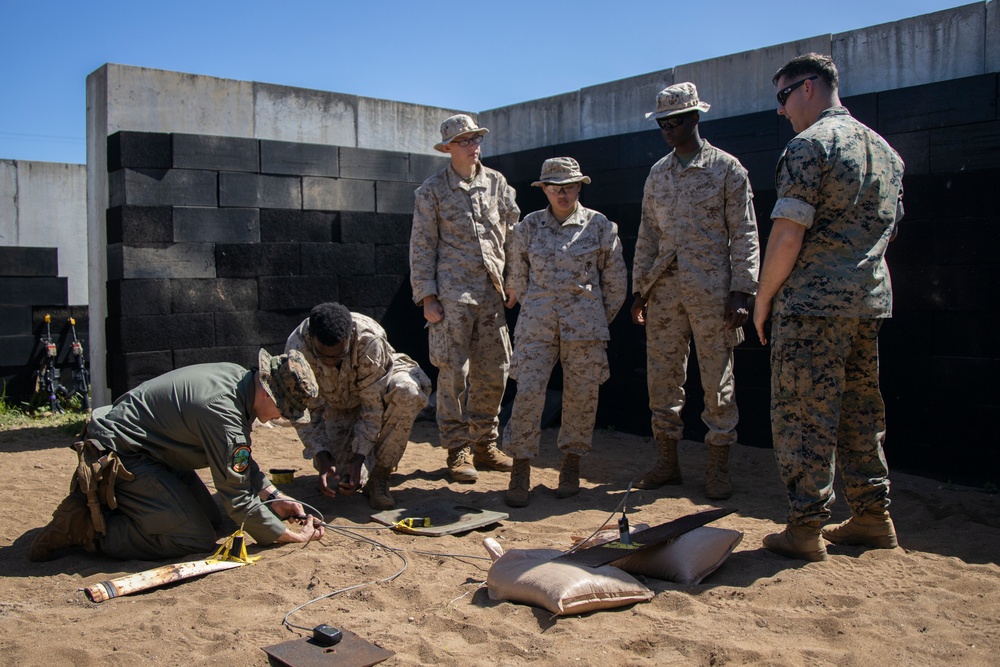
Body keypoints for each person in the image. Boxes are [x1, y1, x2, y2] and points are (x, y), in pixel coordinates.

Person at [754, 53, 905, 562]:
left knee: (803, 415)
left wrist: (763, 298)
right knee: (862, 410)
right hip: (866, 303)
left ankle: (805, 527)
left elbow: (787, 234)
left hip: (812, 307)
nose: (781, 110)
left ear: (810, 87)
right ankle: (872, 515)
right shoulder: (887, 153)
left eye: (783, 96)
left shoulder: (809, 145)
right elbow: (888, 229)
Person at [29, 349, 324, 562]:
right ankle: (88, 529)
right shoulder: (223, 413)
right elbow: (236, 497)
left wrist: (273, 496)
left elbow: (237, 458)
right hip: (123, 454)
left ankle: (132, 508)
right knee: (193, 537)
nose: (280, 418)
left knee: (211, 520)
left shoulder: (237, 380)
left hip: (156, 452)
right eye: (284, 411)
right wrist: (287, 536)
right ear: (269, 394)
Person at [631, 82, 760, 500]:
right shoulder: (658, 174)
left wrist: (742, 290)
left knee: (716, 381)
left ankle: (718, 465)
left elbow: (744, 232)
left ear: (695, 118)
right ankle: (667, 463)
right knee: (662, 379)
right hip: (664, 293)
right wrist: (640, 291)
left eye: (676, 121)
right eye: (662, 123)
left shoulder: (727, 169)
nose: (668, 128)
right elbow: (648, 235)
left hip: (713, 293)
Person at [503, 158, 626, 507]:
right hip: (536, 325)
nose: (562, 192)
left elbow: (615, 281)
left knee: (582, 396)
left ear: (580, 186)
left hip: (585, 327)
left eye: (569, 186)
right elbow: (517, 278)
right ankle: (521, 466)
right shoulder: (526, 228)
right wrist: (537, 306)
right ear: (543, 189)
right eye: (554, 186)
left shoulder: (600, 226)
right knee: (527, 393)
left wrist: (593, 317)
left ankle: (571, 464)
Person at [410, 114, 520, 483]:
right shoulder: (432, 191)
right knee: (453, 374)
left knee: (495, 370)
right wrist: (427, 297)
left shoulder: (497, 184)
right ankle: (457, 449)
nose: (474, 146)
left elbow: (513, 236)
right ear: (448, 148)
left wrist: (514, 281)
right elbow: (422, 246)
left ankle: (485, 444)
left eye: (476, 139)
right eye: (465, 141)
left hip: (491, 293)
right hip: (453, 295)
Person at [285, 302, 431, 511]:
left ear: (350, 338)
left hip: (382, 384)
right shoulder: (296, 350)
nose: (329, 363)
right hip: (338, 403)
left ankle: (381, 474)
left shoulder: (369, 340)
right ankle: (363, 469)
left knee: (407, 392)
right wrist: (321, 455)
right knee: (342, 475)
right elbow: (302, 410)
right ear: (311, 339)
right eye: (322, 356)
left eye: (338, 356)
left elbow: (373, 407)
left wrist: (359, 456)